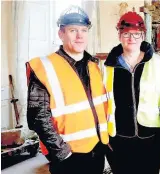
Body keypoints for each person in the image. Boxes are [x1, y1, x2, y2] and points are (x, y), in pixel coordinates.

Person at [26, 6, 109, 174]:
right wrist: (62, 153)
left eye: (83, 30)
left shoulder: (94, 66)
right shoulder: (44, 67)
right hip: (69, 156)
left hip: (97, 150)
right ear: (61, 34)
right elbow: (38, 118)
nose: (79, 36)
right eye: (73, 30)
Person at [104, 11, 160, 174]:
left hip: (151, 141)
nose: (131, 39)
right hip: (118, 141)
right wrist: (105, 138)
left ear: (143, 36)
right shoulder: (107, 66)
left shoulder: (157, 63)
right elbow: (102, 103)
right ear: (119, 35)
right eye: (126, 34)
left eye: (136, 34)